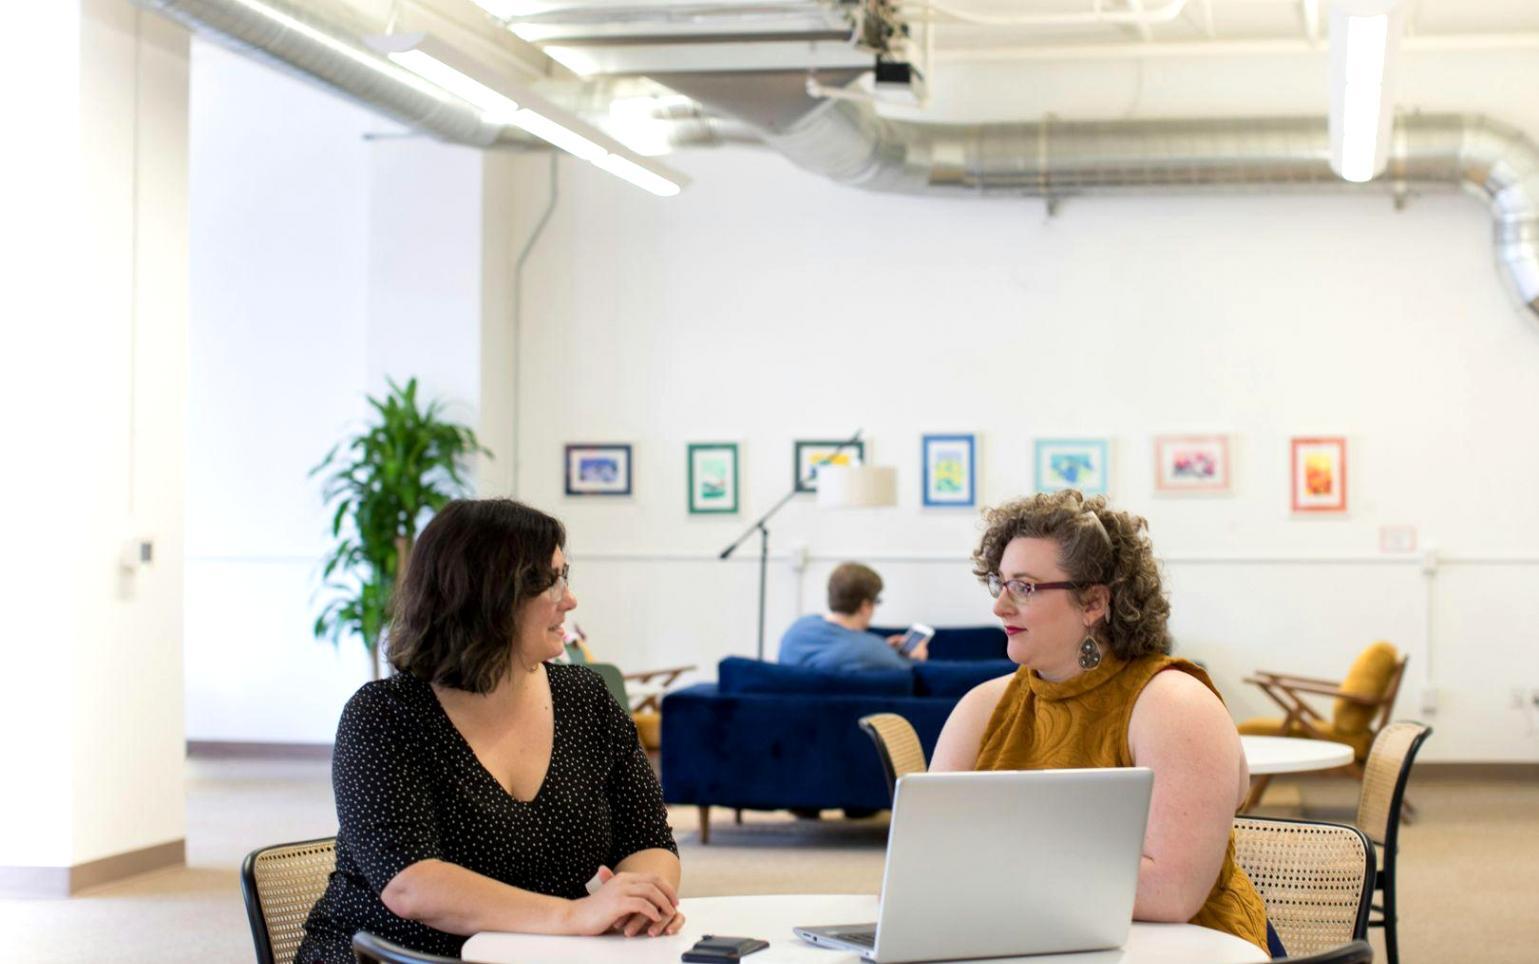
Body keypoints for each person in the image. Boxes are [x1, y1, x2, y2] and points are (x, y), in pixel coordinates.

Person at [296, 499, 683, 963]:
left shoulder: (585, 698)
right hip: (398, 956)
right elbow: (412, 885)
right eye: (545, 580)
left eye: (565, 575)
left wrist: (641, 900)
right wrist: (575, 916)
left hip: (549, 954)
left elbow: (649, 841)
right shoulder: (384, 715)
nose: (569, 599)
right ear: (483, 596)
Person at [929, 490, 1272, 955]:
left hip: (1186, 950)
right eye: (1000, 584)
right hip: (1027, 944)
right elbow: (926, 865)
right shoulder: (981, 708)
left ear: (1093, 603)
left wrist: (988, 876)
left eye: (1024, 587)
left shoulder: (1174, 704)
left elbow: (1172, 893)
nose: (1000, 607)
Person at [777, 562, 928, 671]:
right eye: (877, 601)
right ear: (865, 606)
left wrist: (884, 648)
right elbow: (906, 672)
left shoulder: (798, 628)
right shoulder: (872, 650)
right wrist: (917, 659)